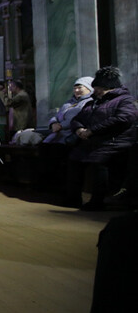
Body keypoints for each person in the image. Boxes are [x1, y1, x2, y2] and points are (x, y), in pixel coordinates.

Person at [66, 67, 138, 210]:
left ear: (109, 87)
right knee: (74, 160)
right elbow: (77, 119)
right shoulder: (92, 102)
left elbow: (124, 118)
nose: (96, 91)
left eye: (100, 88)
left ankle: (98, 201)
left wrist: (92, 130)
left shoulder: (125, 101)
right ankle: (72, 199)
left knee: (98, 162)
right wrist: (79, 129)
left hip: (114, 142)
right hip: (93, 142)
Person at [43, 76, 94, 144]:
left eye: (79, 88)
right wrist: (53, 123)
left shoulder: (90, 102)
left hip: (72, 138)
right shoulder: (69, 102)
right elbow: (57, 115)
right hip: (56, 136)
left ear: (89, 88)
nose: (76, 90)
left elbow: (77, 119)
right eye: (74, 88)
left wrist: (61, 126)